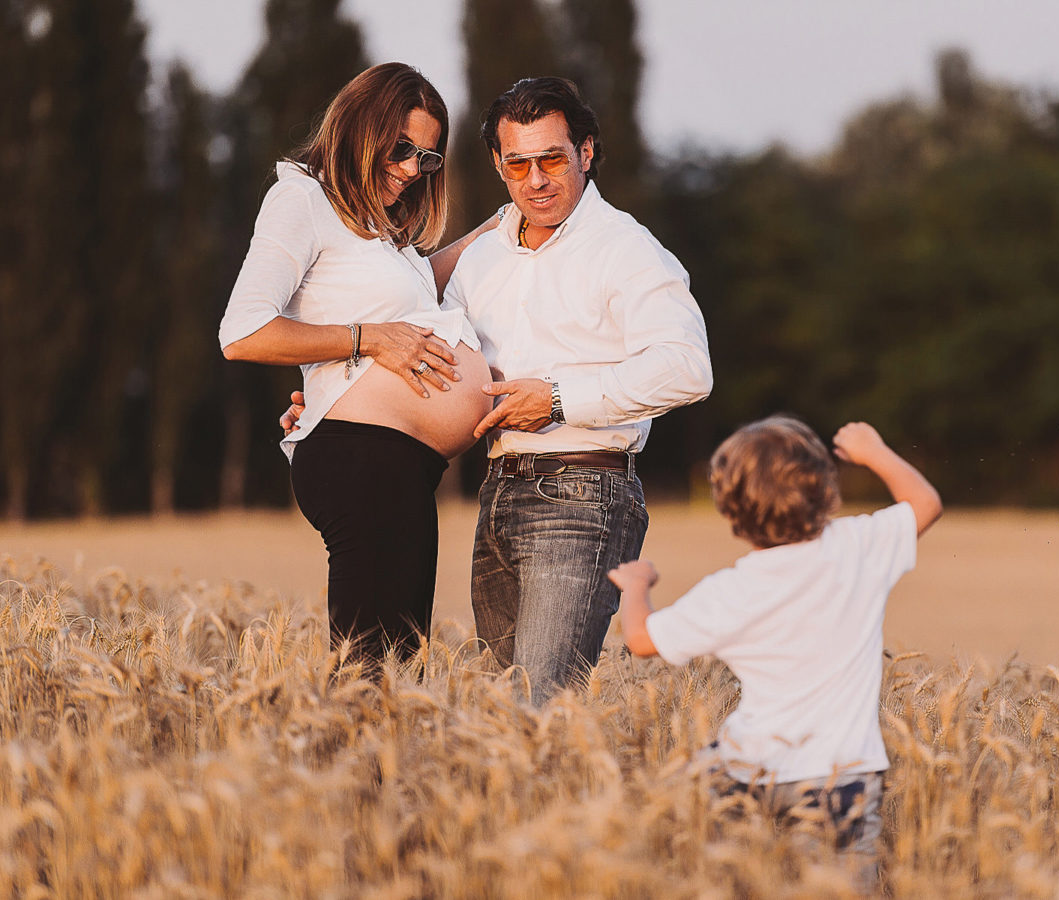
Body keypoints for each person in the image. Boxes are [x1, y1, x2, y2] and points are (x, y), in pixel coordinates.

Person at [283, 76, 713, 701]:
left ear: (586, 153)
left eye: (551, 160)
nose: (535, 180)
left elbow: (686, 368)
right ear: (497, 164)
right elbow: (419, 346)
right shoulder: (483, 259)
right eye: (518, 164)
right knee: (502, 715)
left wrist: (559, 397)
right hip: (499, 497)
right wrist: (333, 398)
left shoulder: (628, 250)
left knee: (540, 707)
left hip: (583, 494)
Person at [219, 62, 495, 665]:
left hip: (402, 466)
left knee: (398, 673)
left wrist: (499, 230)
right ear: (358, 126)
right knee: (371, 676)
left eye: (425, 159)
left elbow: (424, 294)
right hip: (360, 459)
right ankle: (338, 764)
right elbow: (242, 333)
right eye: (399, 149)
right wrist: (369, 339)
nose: (409, 170)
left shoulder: (380, 230)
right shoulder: (302, 198)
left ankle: (372, 765)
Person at [607, 417, 942, 874]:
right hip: (842, 775)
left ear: (730, 513)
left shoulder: (731, 589)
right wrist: (873, 450)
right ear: (827, 492)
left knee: (713, 864)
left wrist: (636, 585)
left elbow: (642, 640)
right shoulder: (857, 547)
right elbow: (925, 502)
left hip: (748, 767)